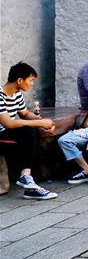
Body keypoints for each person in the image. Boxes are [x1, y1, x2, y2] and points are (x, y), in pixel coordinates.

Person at [0, 62, 57, 200]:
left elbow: (24, 114)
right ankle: (26, 177)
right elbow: (8, 123)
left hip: (7, 133)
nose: (32, 84)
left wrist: (43, 122)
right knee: (29, 131)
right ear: (20, 80)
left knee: (33, 130)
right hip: (2, 134)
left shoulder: (16, 94)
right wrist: (39, 123)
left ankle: (27, 178)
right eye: (31, 80)